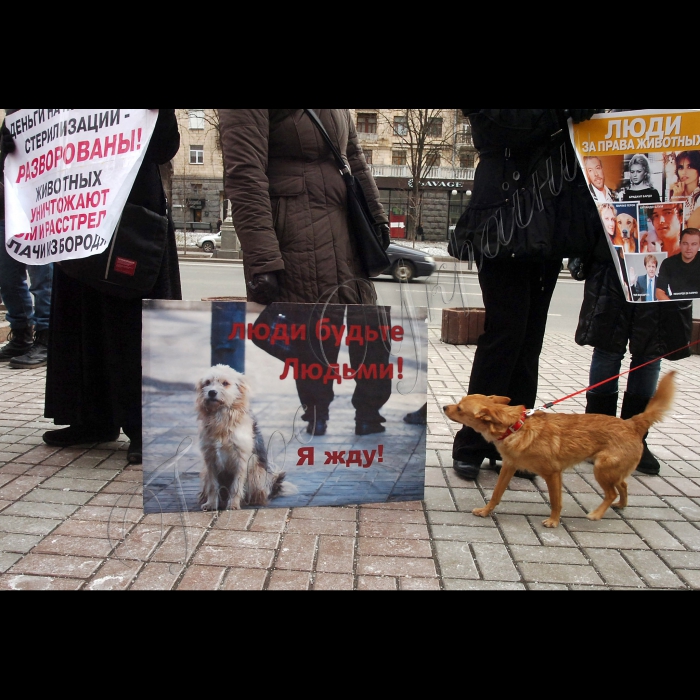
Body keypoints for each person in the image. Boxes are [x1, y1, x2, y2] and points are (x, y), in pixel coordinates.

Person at [447, 109, 603, 480]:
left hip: (548, 220)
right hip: (499, 215)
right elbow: (500, 127)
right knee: (504, 333)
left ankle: (517, 442)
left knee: (530, 337)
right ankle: (472, 440)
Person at [218, 109, 392, 436]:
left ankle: (370, 416)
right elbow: (244, 172)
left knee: (369, 333)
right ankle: (316, 417)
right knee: (315, 338)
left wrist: (376, 213)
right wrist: (263, 257)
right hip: (297, 231)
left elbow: (351, 155)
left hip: (346, 228)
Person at [32, 109, 182, 464]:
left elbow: (164, 147)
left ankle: (146, 426)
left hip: (131, 206)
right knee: (77, 310)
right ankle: (90, 418)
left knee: (132, 319)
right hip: (75, 205)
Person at [571, 109, 693, 476]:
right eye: (633, 170)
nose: (637, 174)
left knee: (648, 356)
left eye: (642, 169)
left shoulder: (663, 192)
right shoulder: (607, 189)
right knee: (607, 352)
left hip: (658, 277)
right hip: (611, 275)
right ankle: (597, 436)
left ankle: (635, 440)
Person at [0, 113, 54, 369]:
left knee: (42, 278)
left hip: (39, 210)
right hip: (6, 209)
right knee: (8, 278)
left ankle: (46, 337)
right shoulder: (14, 117)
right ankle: (21, 333)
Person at [656, 228, 700, 300]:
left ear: (699, 245)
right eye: (685, 243)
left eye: (694, 244)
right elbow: (659, 292)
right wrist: (673, 307)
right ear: (680, 244)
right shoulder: (668, 263)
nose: (689, 248)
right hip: (676, 306)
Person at [670, 150, 700, 215]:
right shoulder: (675, 192)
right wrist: (675, 198)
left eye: (689, 167)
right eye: (681, 167)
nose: (684, 172)